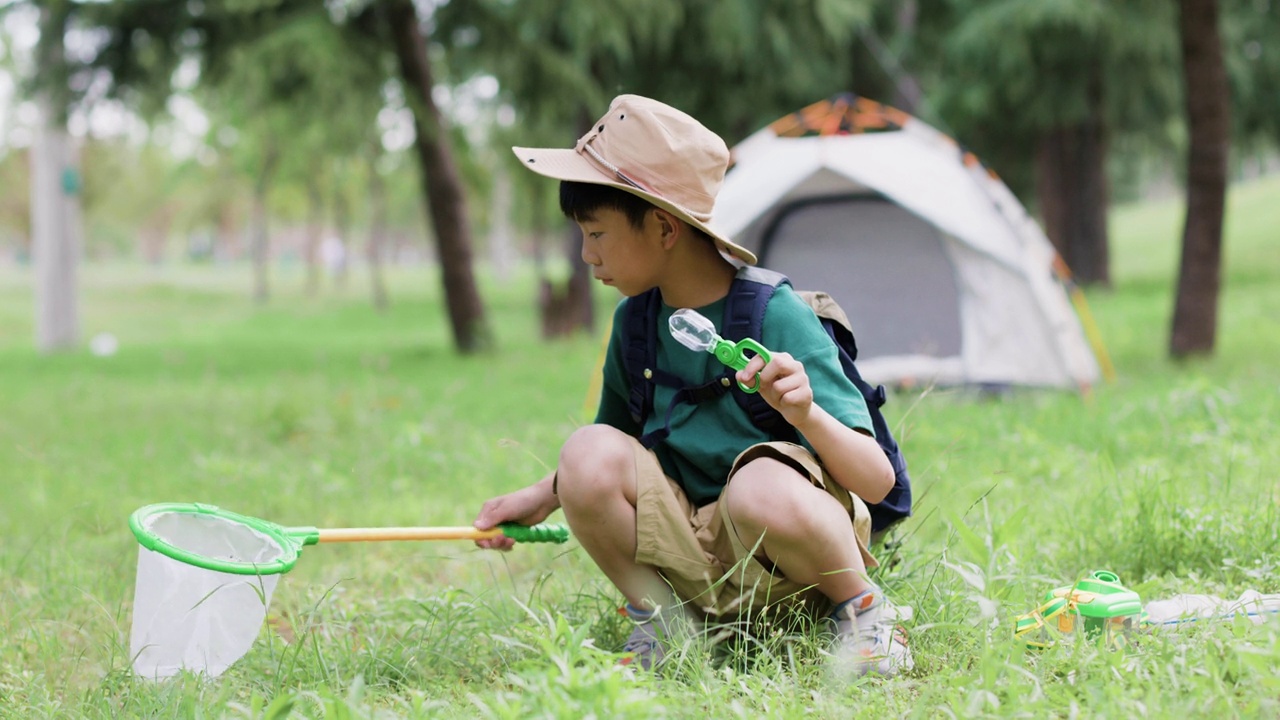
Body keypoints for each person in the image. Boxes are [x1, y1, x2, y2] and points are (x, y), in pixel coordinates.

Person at [472, 94, 913, 677]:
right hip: (695, 554)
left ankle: (862, 611)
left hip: (790, 562)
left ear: (661, 226)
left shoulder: (774, 315)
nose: (586, 255)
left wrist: (806, 414)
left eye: (597, 233)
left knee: (756, 485)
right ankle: (668, 627)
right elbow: (614, 449)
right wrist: (542, 494)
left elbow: (877, 479)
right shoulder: (637, 323)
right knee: (583, 451)